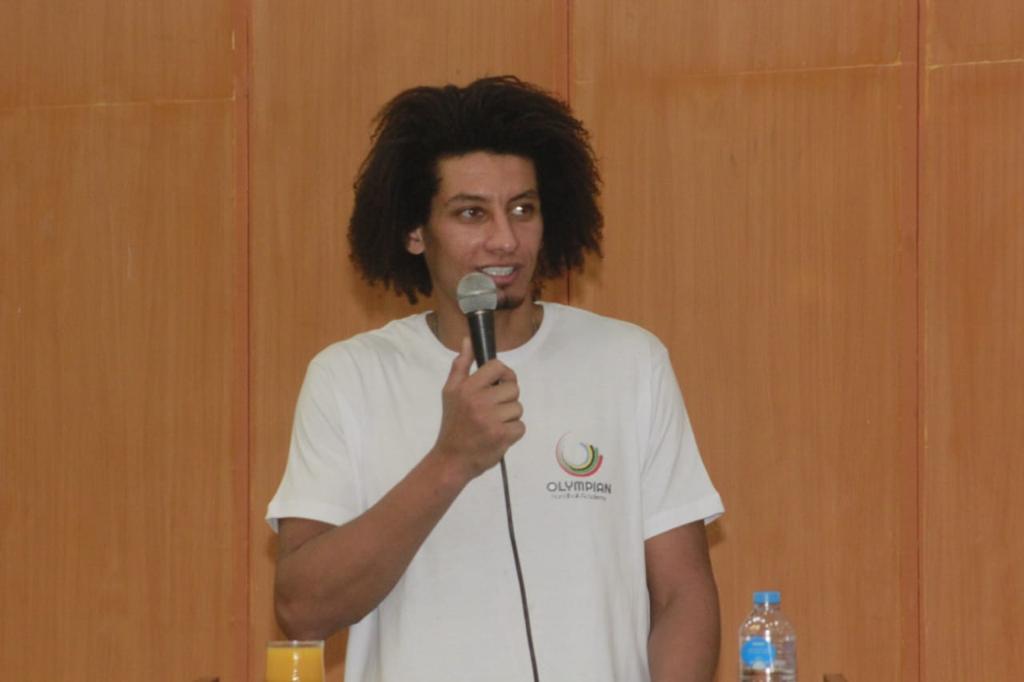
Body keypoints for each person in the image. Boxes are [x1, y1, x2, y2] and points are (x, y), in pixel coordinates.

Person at [267, 75, 724, 682]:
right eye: (471, 213)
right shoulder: (349, 378)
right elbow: (302, 609)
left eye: (522, 210)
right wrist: (451, 460)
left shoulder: (629, 362)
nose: (504, 239)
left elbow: (682, 596)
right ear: (414, 231)